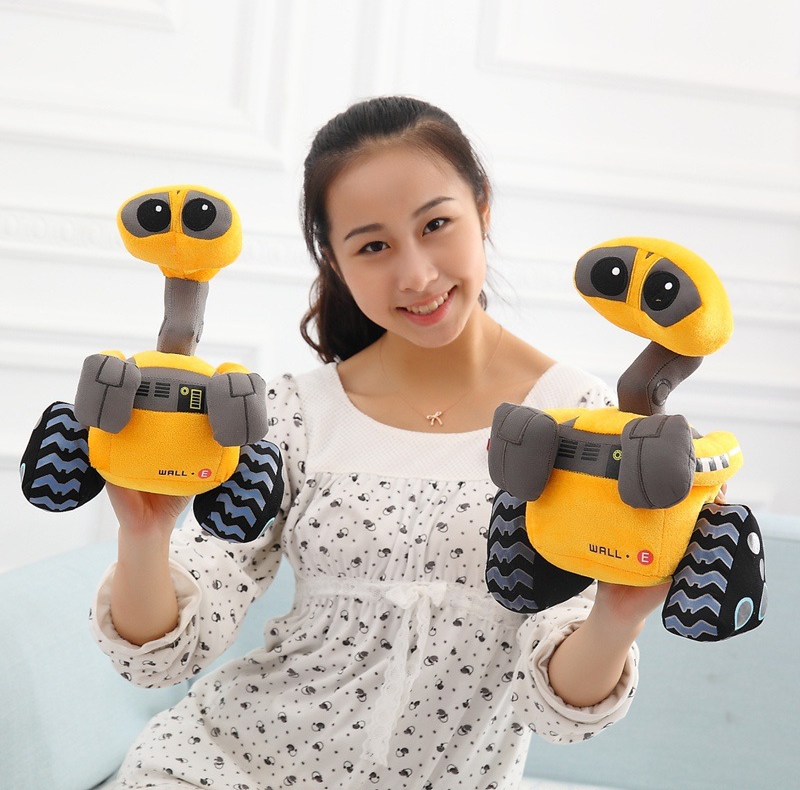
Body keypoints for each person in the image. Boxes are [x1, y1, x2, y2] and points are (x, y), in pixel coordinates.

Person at [91, 96, 670, 790]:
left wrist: (618, 614)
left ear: (482, 208)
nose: (417, 275)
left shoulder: (576, 422)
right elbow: (162, 656)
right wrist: (144, 532)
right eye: (373, 246)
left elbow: (558, 712)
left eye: (436, 225)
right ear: (333, 260)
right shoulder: (296, 413)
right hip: (221, 766)